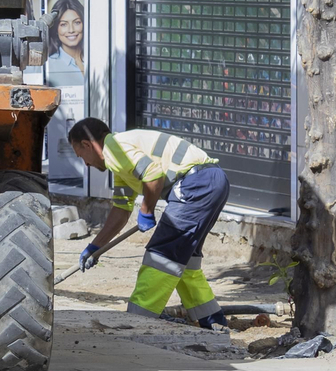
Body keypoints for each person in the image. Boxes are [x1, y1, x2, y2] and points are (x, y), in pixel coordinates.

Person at [67, 117, 230, 329]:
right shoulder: (121, 162)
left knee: (161, 258)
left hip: (196, 183)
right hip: (210, 181)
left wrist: (146, 210)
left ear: (87, 144)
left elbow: (153, 175)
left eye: (81, 156)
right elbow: (121, 210)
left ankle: (137, 322)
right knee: (183, 259)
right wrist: (95, 247)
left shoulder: (113, 148)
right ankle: (213, 321)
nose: (86, 164)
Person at [46, 0, 85, 77]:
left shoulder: (96, 58)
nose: (71, 30)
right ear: (56, 29)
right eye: (64, 24)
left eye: (77, 22)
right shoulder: (49, 65)